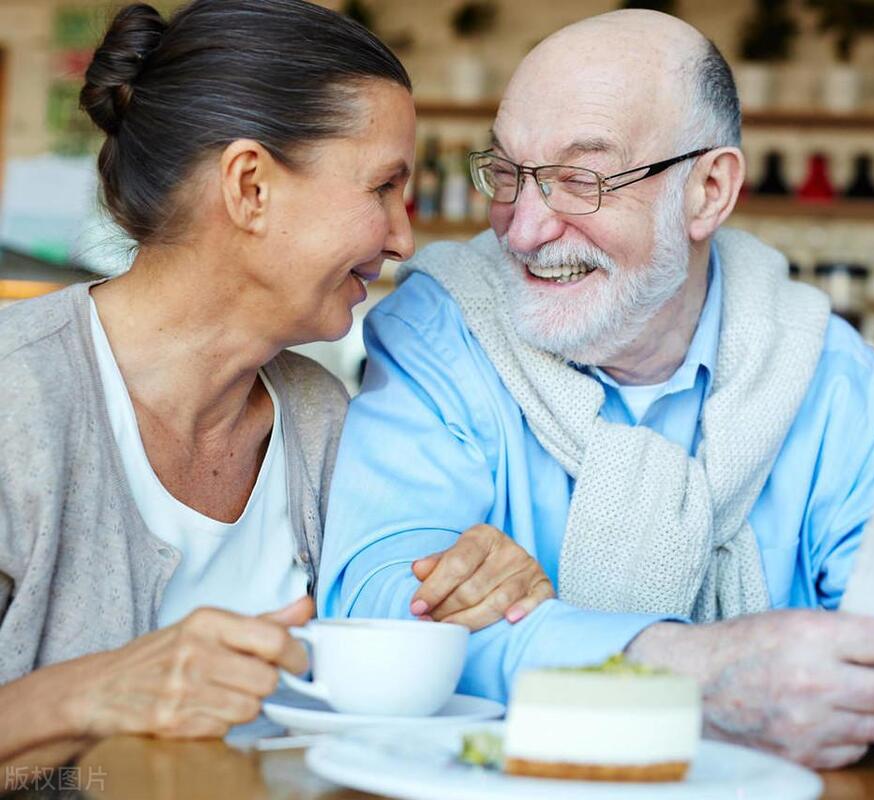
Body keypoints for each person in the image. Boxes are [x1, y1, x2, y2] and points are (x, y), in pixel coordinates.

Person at [319, 10, 874, 768]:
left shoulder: (829, 378)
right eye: (508, 173)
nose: (523, 229)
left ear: (709, 191)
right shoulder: (442, 329)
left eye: (582, 180)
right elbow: (377, 603)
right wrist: (687, 675)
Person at [0, 0, 553, 779]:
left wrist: (479, 584)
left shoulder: (319, 414)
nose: (404, 238)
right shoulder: (14, 396)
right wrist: (93, 695)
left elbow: (374, 663)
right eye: (383, 187)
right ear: (250, 185)